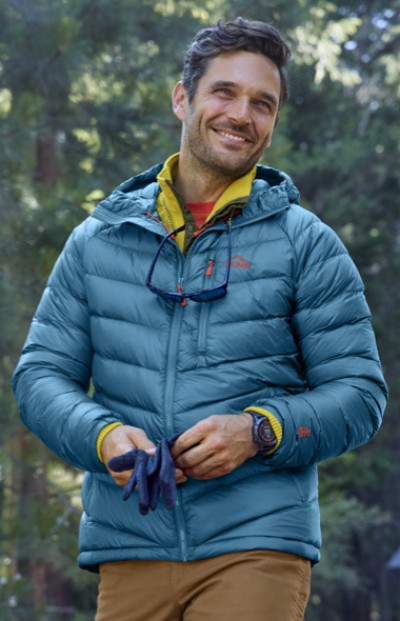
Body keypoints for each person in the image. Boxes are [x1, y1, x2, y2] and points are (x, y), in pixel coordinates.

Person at [12, 17, 387, 621]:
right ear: (182, 97)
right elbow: (38, 379)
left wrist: (260, 430)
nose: (242, 114)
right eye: (224, 92)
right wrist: (103, 435)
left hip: (256, 544)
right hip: (129, 541)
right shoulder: (96, 240)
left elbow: (361, 395)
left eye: (262, 103)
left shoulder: (306, 244)